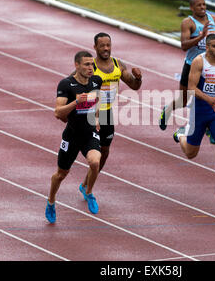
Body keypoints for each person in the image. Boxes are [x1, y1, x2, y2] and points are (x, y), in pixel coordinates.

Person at [172, 34, 215, 201]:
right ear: (207, 48)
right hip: (199, 110)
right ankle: (181, 135)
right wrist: (209, 99)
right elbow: (191, 88)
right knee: (190, 153)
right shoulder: (199, 62)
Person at [78, 32, 142, 202]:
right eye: (102, 46)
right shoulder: (90, 67)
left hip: (107, 114)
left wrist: (139, 78)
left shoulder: (117, 64)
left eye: (108, 45)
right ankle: (86, 188)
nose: (106, 48)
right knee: (93, 152)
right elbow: (73, 83)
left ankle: (85, 185)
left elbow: (134, 85)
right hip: (90, 114)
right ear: (95, 48)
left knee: (104, 152)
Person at [45, 50, 103, 223]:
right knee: (61, 174)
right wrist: (76, 102)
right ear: (76, 65)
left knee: (95, 162)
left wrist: (98, 119)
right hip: (71, 135)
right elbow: (57, 112)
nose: (90, 67)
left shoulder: (96, 81)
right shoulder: (66, 85)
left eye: (92, 64)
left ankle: (89, 191)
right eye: (86, 64)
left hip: (89, 132)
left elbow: (98, 100)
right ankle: (51, 201)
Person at [159, 0, 215, 139]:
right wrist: (201, 37)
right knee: (184, 101)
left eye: (204, 4)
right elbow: (184, 45)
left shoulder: (213, 19)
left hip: (207, 67)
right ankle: (167, 110)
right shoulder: (188, 23)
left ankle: (209, 128)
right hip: (191, 66)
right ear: (192, 8)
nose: (202, 7)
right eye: (199, 5)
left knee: (208, 98)